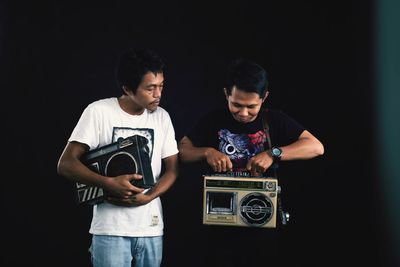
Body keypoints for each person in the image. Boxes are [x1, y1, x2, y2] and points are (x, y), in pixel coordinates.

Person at [178, 58, 324, 266]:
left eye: (251, 106)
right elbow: (182, 151)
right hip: (220, 228)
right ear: (226, 94)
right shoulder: (213, 120)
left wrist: (273, 153)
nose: (243, 113)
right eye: (236, 104)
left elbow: (316, 147)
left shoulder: (274, 120)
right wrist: (207, 152)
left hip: (262, 226)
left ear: (264, 97)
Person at [57, 48, 179, 267]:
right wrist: (108, 184)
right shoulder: (99, 111)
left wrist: (149, 197)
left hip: (151, 228)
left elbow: (172, 170)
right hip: (110, 229)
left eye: (161, 86)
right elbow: (66, 164)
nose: (158, 94)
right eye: (150, 88)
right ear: (128, 88)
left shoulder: (162, 117)